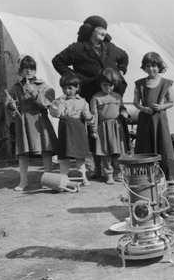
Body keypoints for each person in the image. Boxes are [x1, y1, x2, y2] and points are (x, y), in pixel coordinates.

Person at [52, 15, 129, 179]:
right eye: (100, 28)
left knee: (114, 129)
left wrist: (120, 71)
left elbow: (124, 57)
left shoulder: (110, 47)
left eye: (105, 29)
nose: (104, 32)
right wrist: (76, 79)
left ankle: (116, 169)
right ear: (90, 29)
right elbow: (57, 60)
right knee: (94, 129)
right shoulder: (78, 48)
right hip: (91, 95)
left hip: (111, 96)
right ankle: (98, 168)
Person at [5, 55, 57, 191]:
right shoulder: (16, 87)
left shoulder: (43, 86)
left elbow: (47, 103)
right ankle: (23, 181)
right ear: (20, 70)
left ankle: (49, 180)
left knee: (46, 150)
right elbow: (8, 103)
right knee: (23, 152)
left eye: (32, 68)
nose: (29, 71)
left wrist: (34, 93)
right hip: (23, 123)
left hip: (40, 122)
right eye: (25, 68)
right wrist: (11, 105)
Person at [133, 52, 174, 175]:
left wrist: (161, 106)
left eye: (154, 66)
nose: (151, 69)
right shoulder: (139, 84)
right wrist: (143, 109)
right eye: (147, 66)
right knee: (144, 143)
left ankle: (164, 172)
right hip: (145, 118)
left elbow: (171, 102)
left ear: (159, 67)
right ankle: (144, 171)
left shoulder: (166, 83)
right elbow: (136, 102)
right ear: (144, 67)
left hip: (159, 119)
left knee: (162, 143)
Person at [49, 73, 93, 185]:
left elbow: (86, 115)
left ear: (77, 87)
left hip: (78, 129)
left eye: (70, 88)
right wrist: (60, 105)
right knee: (64, 155)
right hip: (65, 129)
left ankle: (83, 176)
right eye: (64, 88)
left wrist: (90, 118)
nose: (67, 91)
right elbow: (55, 113)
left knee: (80, 155)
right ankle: (63, 177)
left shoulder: (82, 101)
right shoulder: (59, 101)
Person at [90, 68, 128, 185]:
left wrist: (124, 112)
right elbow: (94, 115)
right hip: (103, 128)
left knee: (117, 152)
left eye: (111, 85)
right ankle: (108, 174)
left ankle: (118, 173)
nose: (108, 88)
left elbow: (122, 108)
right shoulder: (96, 98)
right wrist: (94, 130)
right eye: (105, 85)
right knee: (105, 153)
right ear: (100, 84)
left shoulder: (117, 96)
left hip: (117, 127)